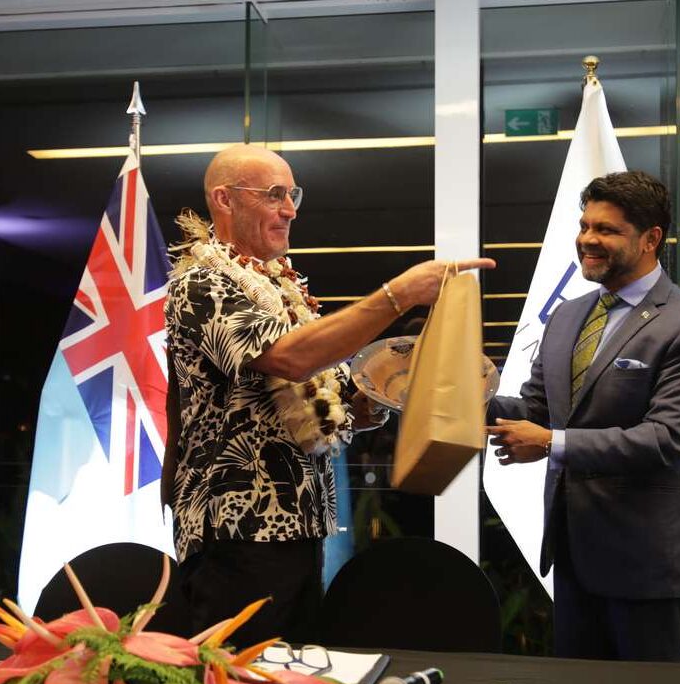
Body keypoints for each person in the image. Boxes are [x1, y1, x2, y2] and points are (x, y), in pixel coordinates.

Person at [162, 142, 494, 647]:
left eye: (292, 195)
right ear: (225, 199)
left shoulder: (279, 287)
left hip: (298, 524)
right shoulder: (202, 281)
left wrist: (367, 401)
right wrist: (398, 295)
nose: (290, 210)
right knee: (242, 679)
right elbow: (287, 358)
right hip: (238, 528)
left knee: (292, 676)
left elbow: (313, 399)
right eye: (274, 195)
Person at [488, 170, 680, 662]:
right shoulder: (567, 315)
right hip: (572, 558)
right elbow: (538, 408)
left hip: (647, 569)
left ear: (650, 239)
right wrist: (461, 398)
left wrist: (550, 443)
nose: (587, 239)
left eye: (606, 229)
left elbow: (667, 440)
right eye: (584, 226)